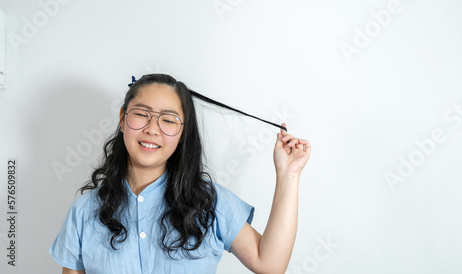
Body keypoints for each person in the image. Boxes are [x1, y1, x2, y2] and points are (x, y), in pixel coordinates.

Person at [50, 74, 311, 273]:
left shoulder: (210, 203)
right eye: (142, 114)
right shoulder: (84, 211)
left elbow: (270, 265)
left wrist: (289, 174)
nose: (152, 129)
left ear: (183, 131)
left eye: (168, 119)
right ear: (122, 118)